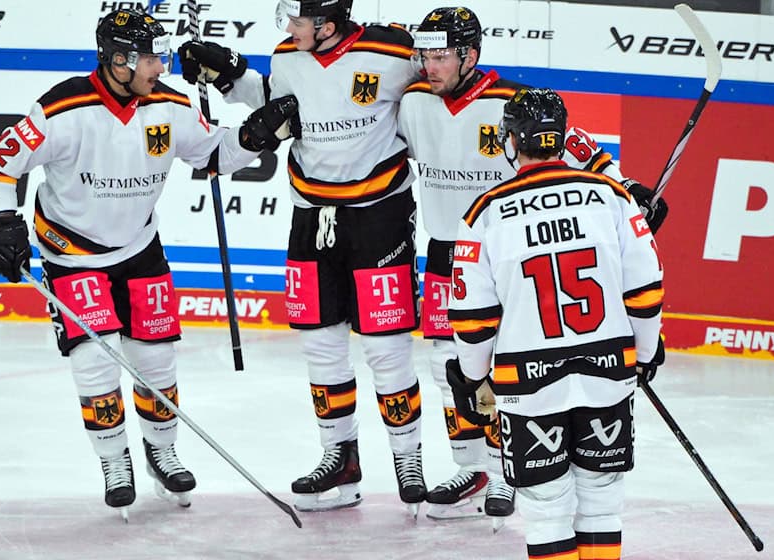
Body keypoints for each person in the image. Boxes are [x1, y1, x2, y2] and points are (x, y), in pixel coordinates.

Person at [0, 8, 298, 521]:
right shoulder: (61, 109)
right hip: (73, 254)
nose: (160, 66)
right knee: (94, 362)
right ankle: (113, 461)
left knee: (156, 359)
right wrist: (1, 221)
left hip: (140, 249)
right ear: (118, 59)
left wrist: (256, 136)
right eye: (150, 57)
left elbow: (210, 154)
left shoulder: (169, 103)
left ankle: (161, 450)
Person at [396, 6, 667, 529]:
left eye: (441, 55)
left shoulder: (512, 104)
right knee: (447, 369)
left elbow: (582, 153)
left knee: (501, 366)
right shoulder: (412, 102)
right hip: (445, 253)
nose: (429, 64)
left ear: (470, 55)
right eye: (424, 54)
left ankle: (504, 471)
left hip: (505, 254)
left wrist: (632, 192)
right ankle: (471, 467)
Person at [178, 0, 429, 514]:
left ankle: (409, 459)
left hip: (379, 216)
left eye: (297, 21)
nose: (289, 30)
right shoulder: (289, 54)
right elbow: (276, 98)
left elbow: (442, 86)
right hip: (311, 216)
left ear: (329, 24)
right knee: (320, 342)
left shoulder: (394, 51)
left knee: (386, 346)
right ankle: (340, 458)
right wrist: (229, 74)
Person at [447, 88, 665, 560]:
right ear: (560, 138)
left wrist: (471, 374)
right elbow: (646, 291)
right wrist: (645, 355)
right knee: (602, 503)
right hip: (606, 369)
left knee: (546, 508)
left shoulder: (484, 213)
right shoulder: (612, 196)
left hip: (528, 380)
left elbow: (473, 317)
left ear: (512, 139)